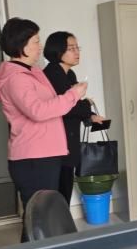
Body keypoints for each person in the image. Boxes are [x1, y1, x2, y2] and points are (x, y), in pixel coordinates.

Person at [0, 18, 88, 241]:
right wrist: (73, 95)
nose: (40, 46)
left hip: (45, 154)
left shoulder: (31, 72)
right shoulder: (16, 78)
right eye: (36, 41)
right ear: (22, 46)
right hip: (33, 158)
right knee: (38, 219)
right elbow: (38, 111)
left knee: (40, 219)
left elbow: (49, 105)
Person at [42, 31, 107, 201]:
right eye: (71, 48)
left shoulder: (69, 74)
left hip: (68, 141)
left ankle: (63, 219)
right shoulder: (52, 74)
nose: (77, 52)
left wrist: (91, 115)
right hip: (57, 144)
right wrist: (87, 105)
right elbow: (68, 107)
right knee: (59, 193)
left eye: (78, 48)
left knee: (65, 189)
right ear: (58, 51)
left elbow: (75, 104)